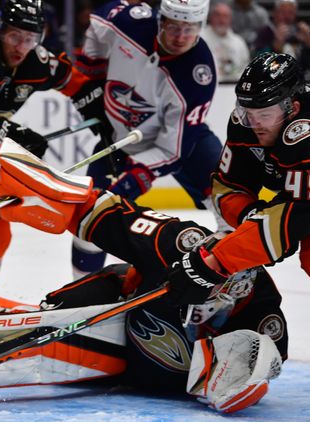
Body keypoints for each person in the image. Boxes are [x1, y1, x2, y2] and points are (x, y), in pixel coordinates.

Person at [0, 139, 286, 413]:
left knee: (60, 351)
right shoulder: (181, 242)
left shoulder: (262, 300)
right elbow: (113, 220)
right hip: (119, 305)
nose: (227, 282)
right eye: (224, 268)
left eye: (239, 276)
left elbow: (271, 352)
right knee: (43, 325)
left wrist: (230, 360)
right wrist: (57, 195)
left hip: (147, 368)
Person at [162, 53, 310, 411]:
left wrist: (213, 263)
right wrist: (250, 216)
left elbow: (292, 225)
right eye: (248, 110)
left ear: (293, 107)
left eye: (264, 114)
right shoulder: (247, 120)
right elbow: (224, 188)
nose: (253, 122)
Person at [0, 0, 105, 293]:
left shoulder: (35, 60)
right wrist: (3, 131)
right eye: (14, 35)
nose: (20, 45)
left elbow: (77, 84)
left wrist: (104, 114)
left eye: (29, 38)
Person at [71, 0, 223, 278]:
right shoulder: (130, 22)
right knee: (88, 215)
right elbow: (98, 25)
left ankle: (231, 285)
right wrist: (90, 73)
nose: (180, 37)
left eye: (189, 29)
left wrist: (138, 173)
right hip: (119, 138)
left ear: (201, 27)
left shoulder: (198, 74)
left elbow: (173, 147)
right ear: (160, 21)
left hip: (181, 141)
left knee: (229, 198)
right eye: (173, 26)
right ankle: (82, 294)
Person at [254, 0, 310, 70]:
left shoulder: (298, 32)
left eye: (291, 13)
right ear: (275, 13)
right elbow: (258, 61)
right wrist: (275, 45)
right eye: (283, 12)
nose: (287, 16)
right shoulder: (266, 32)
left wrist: (309, 44)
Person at [200, 1, 250, 82]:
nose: (221, 20)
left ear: (230, 19)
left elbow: (246, 68)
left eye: (225, 16)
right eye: (217, 15)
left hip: (233, 86)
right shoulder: (200, 38)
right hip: (208, 84)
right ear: (210, 17)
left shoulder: (239, 42)